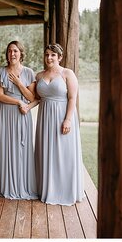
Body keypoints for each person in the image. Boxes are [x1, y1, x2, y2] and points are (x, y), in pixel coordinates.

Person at [31, 43, 84, 205]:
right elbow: (36, 98)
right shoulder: (39, 75)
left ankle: (65, 190)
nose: (49, 57)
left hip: (62, 116)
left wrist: (68, 119)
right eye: (47, 54)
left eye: (53, 55)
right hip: (45, 117)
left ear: (59, 57)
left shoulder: (67, 73)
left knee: (63, 152)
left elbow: (72, 98)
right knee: (47, 152)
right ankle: (48, 189)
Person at [0, 40, 38, 200]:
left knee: (21, 148)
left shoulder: (29, 73)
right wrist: (18, 101)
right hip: (5, 113)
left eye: (15, 51)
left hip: (22, 115)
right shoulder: (0, 71)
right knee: (4, 148)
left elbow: (32, 97)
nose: (12, 54)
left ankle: (22, 185)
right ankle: (5, 185)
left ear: (21, 54)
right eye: (10, 51)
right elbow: (0, 96)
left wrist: (19, 83)